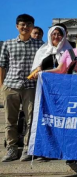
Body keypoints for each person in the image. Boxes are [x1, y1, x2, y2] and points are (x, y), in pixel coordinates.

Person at [0, 14, 44, 162]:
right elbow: (2, 65)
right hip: (11, 85)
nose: (25, 27)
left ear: (32, 27)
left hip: (30, 86)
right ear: (17, 26)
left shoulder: (40, 45)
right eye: (22, 24)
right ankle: (11, 149)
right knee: (10, 120)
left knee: (31, 120)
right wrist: (1, 86)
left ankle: (27, 148)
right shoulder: (8, 44)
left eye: (28, 24)